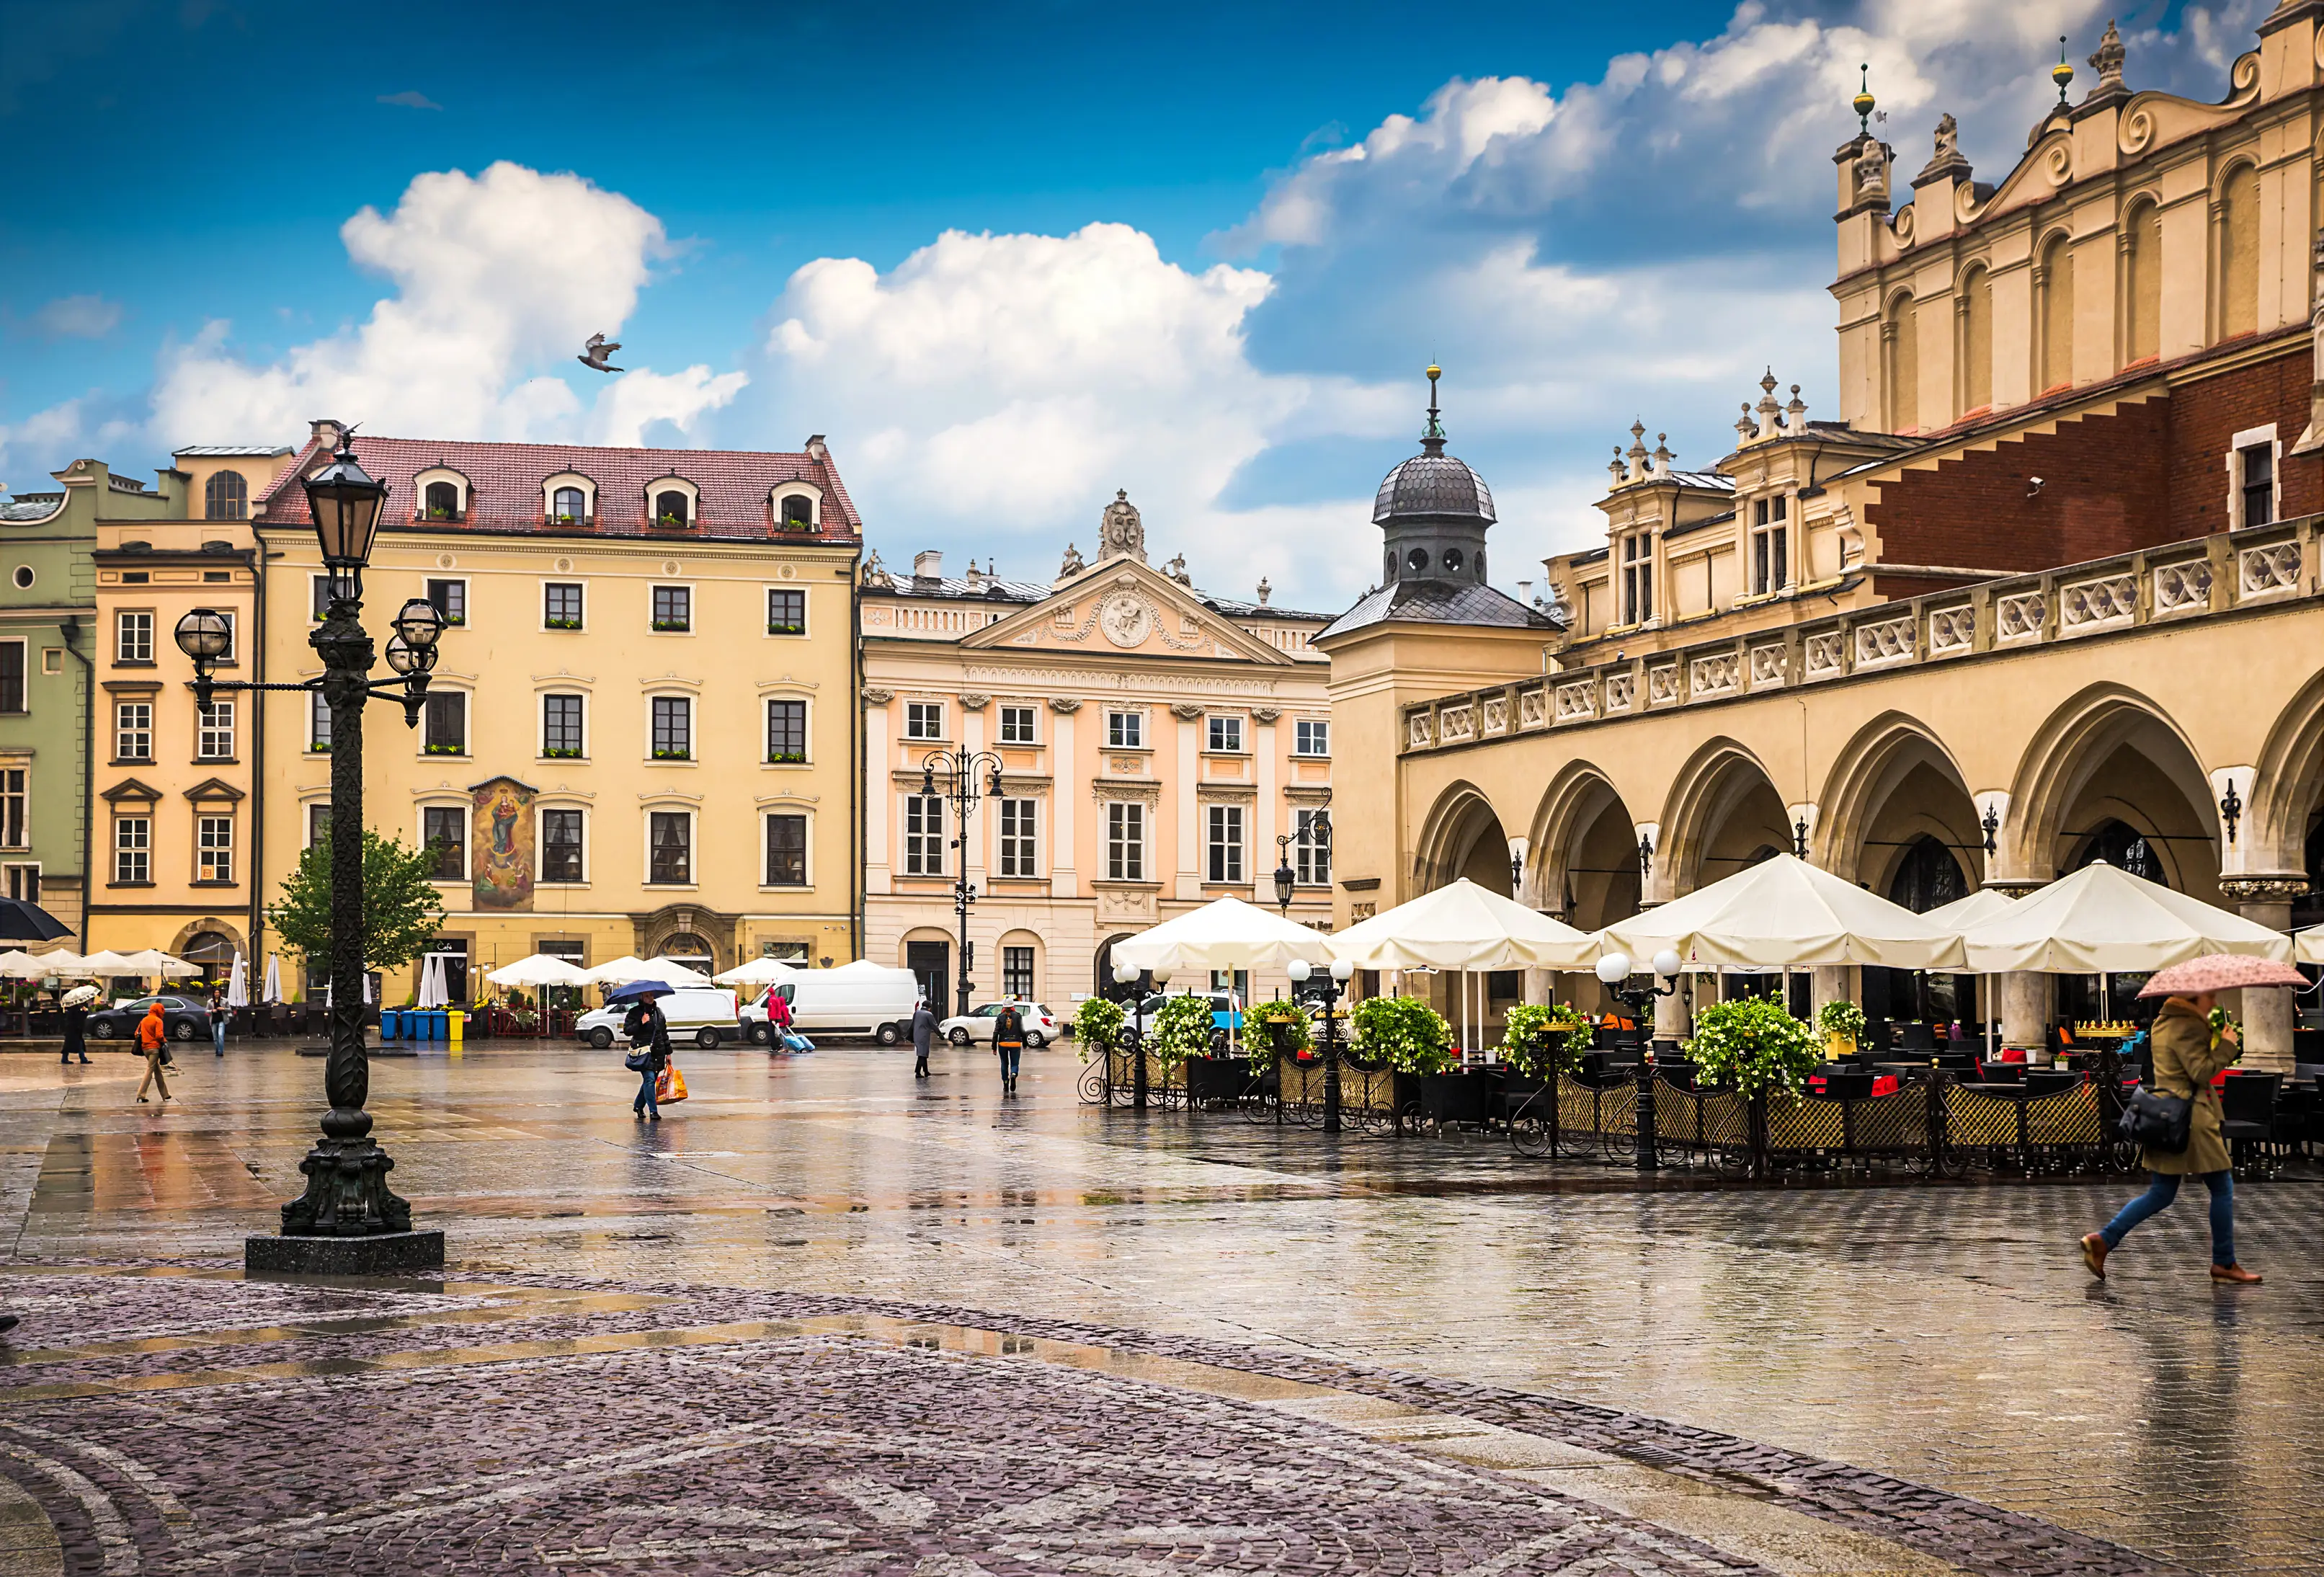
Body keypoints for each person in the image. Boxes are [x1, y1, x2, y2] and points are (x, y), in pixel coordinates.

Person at [2081, 990, 2259, 1284]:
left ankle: (2103, 1240)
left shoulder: (2164, 1022)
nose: (2213, 1002)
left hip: (2167, 1114)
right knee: (2222, 1188)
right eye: (2209, 997)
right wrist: (2227, 1046)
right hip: (2192, 1118)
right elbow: (2200, 1071)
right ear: (2193, 998)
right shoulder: (2187, 1026)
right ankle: (2224, 1263)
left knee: (2161, 1193)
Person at [623, 992, 672, 1121]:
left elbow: (664, 1033)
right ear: (641, 998)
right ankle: (653, 1111)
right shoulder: (635, 1012)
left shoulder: (659, 1013)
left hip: (658, 1052)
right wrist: (641, 1022)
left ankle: (638, 1106)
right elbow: (627, 1030)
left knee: (649, 1082)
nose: (650, 999)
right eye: (646, 996)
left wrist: (668, 1053)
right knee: (649, 1079)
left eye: (651, 996)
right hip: (644, 1052)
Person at [133, 999, 172, 1104]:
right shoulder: (158, 1021)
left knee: (157, 1071)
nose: (163, 1012)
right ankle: (141, 1094)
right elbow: (159, 1036)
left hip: (145, 1049)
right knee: (150, 1070)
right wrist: (164, 1040)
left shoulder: (144, 1020)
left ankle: (165, 1094)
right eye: (162, 1010)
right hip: (154, 1049)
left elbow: (136, 1033)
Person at [993, 1001, 1025, 1096]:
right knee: (1014, 1063)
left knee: (1004, 1063)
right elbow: (1022, 1030)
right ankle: (1014, 1075)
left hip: (1003, 1043)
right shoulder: (1018, 1016)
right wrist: (1025, 1043)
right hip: (1015, 1043)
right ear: (1013, 1006)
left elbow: (996, 1032)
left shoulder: (1000, 1017)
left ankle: (1006, 1083)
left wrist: (994, 1046)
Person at [59, 992, 89, 1066]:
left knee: (73, 1045)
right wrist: (85, 1012)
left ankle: (81, 1059)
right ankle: (81, 1059)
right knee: (76, 1045)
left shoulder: (73, 1009)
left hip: (72, 1031)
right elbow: (80, 1018)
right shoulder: (75, 1010)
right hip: (74, 1031)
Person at [763, 985, 795, 1052]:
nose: (767, 994)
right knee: (777, 1034)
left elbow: (773, 1010)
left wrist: (773, 1019)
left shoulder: (772, 999)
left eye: (768, 993)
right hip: (775, 1019)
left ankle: (776, 1046)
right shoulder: (775, 999)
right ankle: (779, 1045)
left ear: (770, 992)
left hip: (772, 1018)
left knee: (772, 1033)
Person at [911, 998, 935, 1079]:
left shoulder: (916, 1013)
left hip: (917, 1036)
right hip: (924, 1037)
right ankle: (918, 1072)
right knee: (922, 1055)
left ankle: (926, 1071)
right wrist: (941, 1036)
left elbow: (913, 1024)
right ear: (929, 1007)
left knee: (923, 1054)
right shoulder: (929, 1014)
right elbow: (934, 1026)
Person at [208, 986, 228, 1058]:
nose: (217, 994)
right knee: (215, 1038)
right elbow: (206, 1010)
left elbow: (229, 1009)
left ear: (220, 994)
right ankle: (217, 1050)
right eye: (215, 993)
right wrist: (211, 1011)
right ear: (213, 994)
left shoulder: (225, 1000)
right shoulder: (210, 1001)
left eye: (218, 993)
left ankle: (220, 1052)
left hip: (222, 1020)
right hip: (213, 1021)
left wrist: (223, 1009)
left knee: (220, 1035)